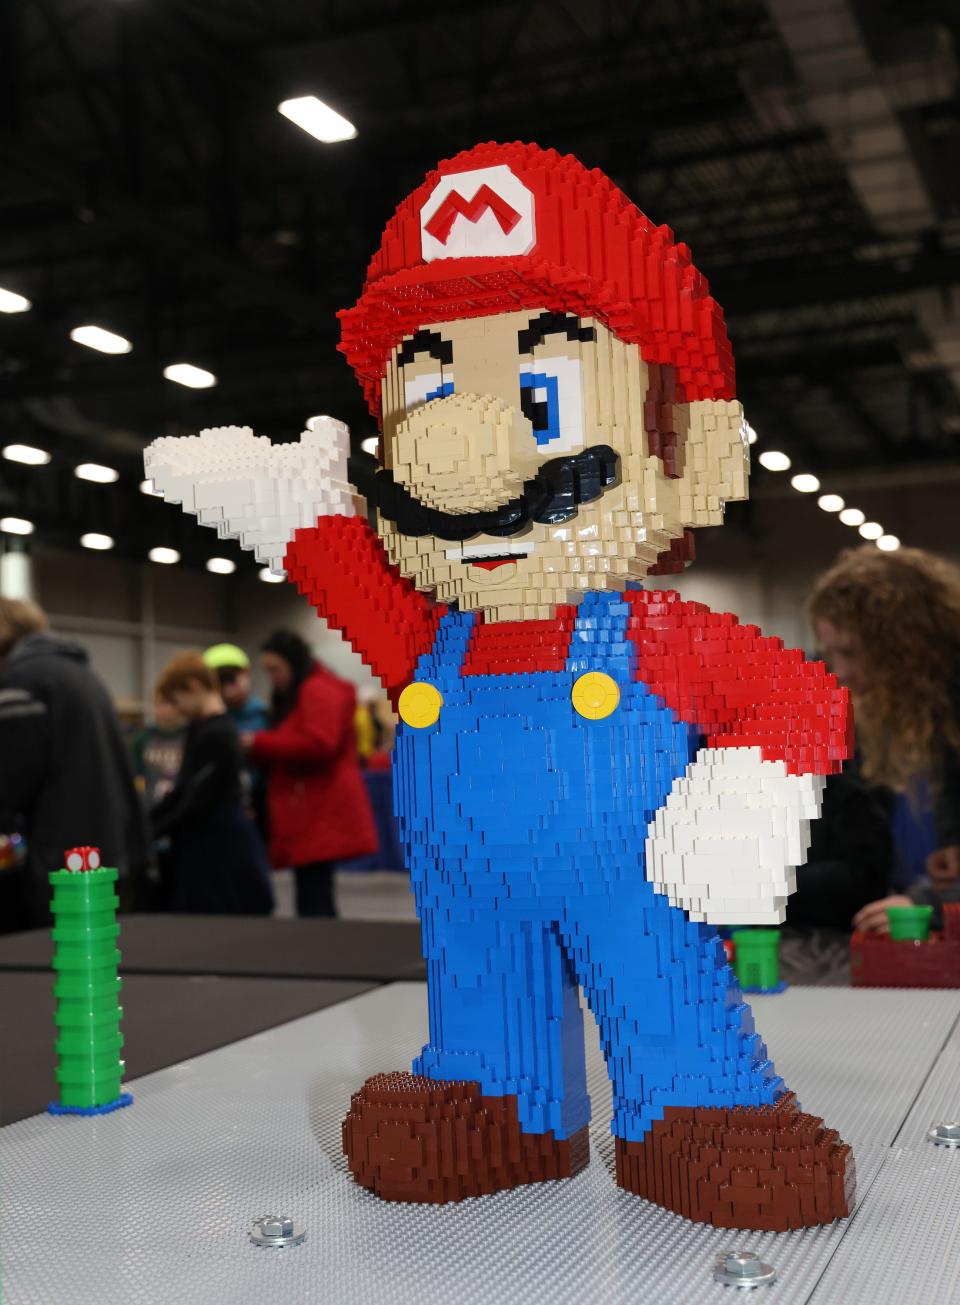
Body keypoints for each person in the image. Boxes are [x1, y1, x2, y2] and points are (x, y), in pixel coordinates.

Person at [809, 546, 960, 933]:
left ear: (907, 647)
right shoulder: (885, 724)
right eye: (831, 654)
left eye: (852, 653)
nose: (840, 671)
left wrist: (933, 904)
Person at [0, 596, 148, 931]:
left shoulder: (23, 681)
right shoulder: (82, 674)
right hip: (108, 851)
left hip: (60, 857)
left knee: (57, 965)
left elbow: (13, 777)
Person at [242, 630, 376, 917]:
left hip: (317, 806)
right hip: (310, 807)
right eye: (267, 670)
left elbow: (319, 743)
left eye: (275, 669)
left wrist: (258, 742)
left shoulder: (316, 690)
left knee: (314, 898)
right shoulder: (307, 690)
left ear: (292, 662)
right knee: (313, 893)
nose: (272, 677)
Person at [151, 651, 273, 915]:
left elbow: (193, 798)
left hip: (221, 852)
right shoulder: (202, 729)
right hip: (206, 845)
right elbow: (185, 792)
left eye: (176, 699)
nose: (177, 709)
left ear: (194, 687)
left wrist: (150, 829)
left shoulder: (217, 734)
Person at [203, 643, 270, 837]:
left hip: (260, 807)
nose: (228, 688)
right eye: (220, 681)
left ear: (247, 674)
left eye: (231, 678)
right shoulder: (206, 722)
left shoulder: (265, 715)